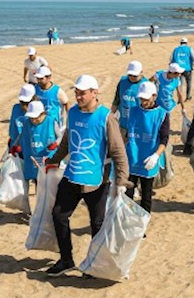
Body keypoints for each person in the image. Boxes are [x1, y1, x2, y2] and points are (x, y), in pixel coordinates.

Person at [43, 75, 131, 277]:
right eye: (76, 92)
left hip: (96, 180)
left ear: (95, 92)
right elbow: (66, 141)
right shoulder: (73, 112)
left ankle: (95, 264)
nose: (78, 96)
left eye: (82, 92)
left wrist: (122, 180)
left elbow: (118, 151)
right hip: (73, 174)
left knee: (97, 224)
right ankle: (66, 260)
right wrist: (53, 160)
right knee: (59, 215)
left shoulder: (106, 117)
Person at [124, 81, 169, 218]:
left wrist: (156, 155)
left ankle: (142, 223)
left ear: (154, 96)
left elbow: (164, 139)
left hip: (148, 159)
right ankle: (129, 221)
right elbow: (127, 135)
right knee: (128, 194)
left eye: (146, 98)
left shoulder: (162, 114)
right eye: (141, 98)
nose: (143, 102)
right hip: (132, 159)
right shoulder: (133, 111)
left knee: (146, 195)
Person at [14, 100, 59, 217]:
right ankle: (41, 210)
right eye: (31, 118)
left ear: (43, 113)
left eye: (36, 117)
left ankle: (51, 209)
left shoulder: (51, 122)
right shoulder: (27, 123)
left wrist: (56, 144)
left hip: (49, 159)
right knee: (38, 183)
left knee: (51, 185)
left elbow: (61, 136)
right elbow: (21, 135)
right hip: (33, 159)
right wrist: (15, 145)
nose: (33, 120)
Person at [111, 60, 148, 139]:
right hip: (123, 123)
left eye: (135, 75)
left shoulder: (146, 85)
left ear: (141, 72)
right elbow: (117, 99)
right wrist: (110, 115)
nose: (132, 77)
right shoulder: (122, 81)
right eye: (130, 75)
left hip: (138, 125)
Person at [8, 84, 36, 153]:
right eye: (22, 101)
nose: (24, 104)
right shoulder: (16, 108)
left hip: (29, 149)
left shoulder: (37, 112)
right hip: (14, 146)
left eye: (26, 102)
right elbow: (13, 127)